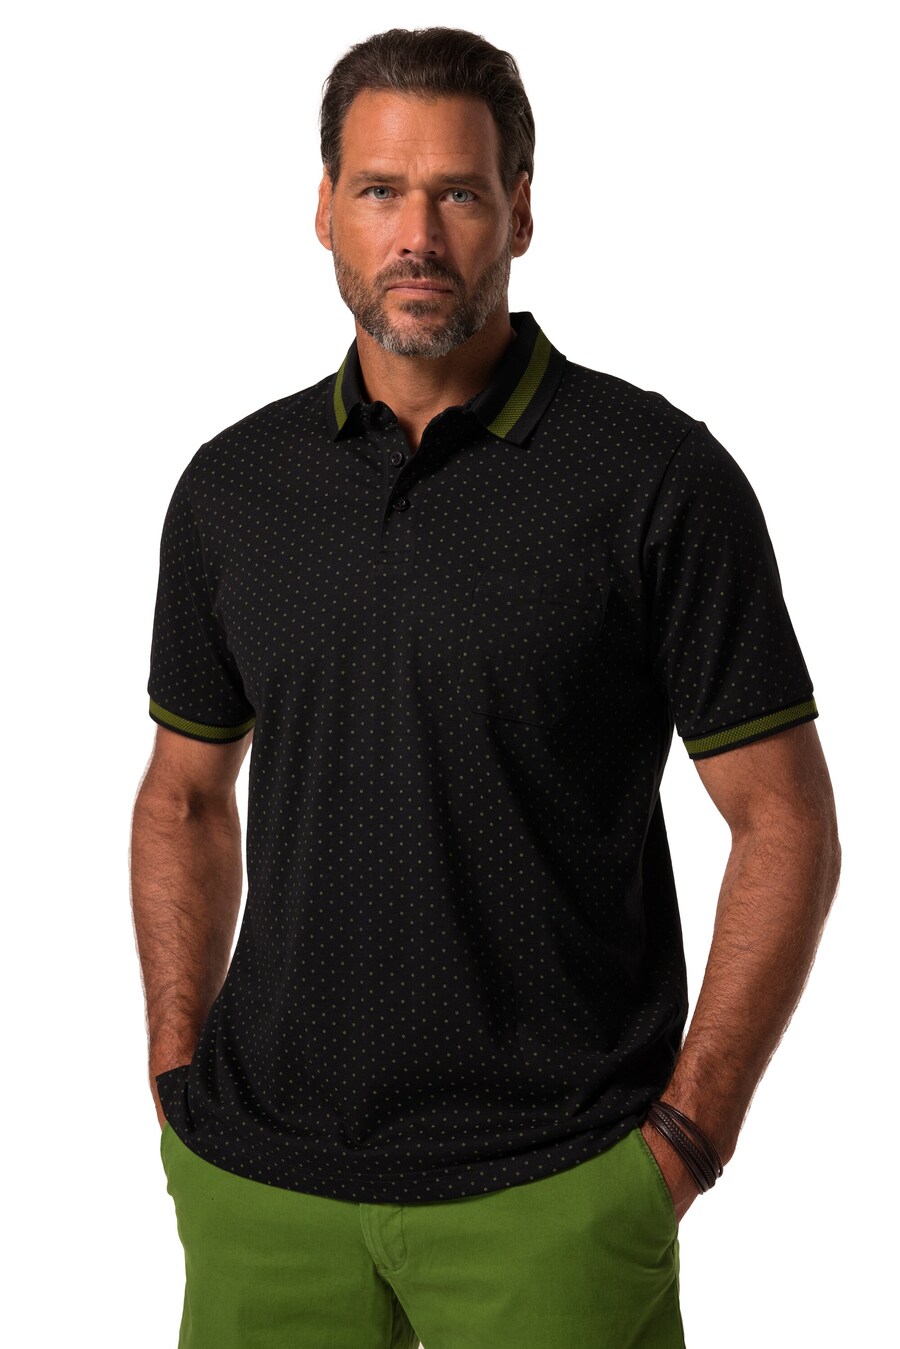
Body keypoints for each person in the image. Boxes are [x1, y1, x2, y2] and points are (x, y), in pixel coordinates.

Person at [131, 25, 841, 1349]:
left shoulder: (654, 477)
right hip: (261, 1186)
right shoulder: (234, 489)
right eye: (380, 190)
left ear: (520, 210)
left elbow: (785, 820)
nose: (417, 235)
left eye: (457, 192)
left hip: (556, 1190)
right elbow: (182, 795)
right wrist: (177, 1073)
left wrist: (686, 1139)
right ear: (324, 210)